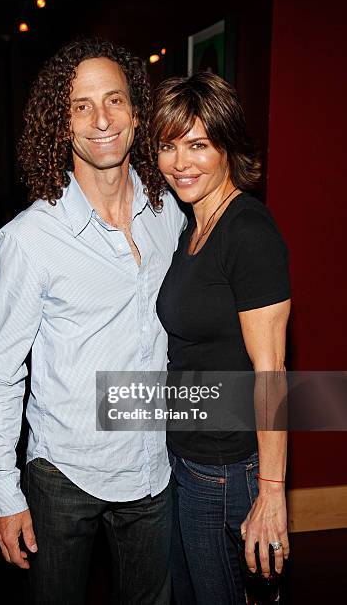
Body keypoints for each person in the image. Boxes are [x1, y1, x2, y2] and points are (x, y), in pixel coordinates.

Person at [0, 38, 186, 605]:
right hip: (64, 473)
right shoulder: (30, 240)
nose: (101, 120)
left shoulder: (169, 216)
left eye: (114, 101)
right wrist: (4, 493)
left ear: (137, 114)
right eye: (81, 106)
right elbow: (0, 374)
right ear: (60, 125)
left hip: (151, 466)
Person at [151, 72, 291, 604]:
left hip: (230, 471)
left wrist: (272, 494)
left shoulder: (248, 232)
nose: (180, 162)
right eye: (168, 146)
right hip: (191, 460)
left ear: (227, 145)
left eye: (198, 145)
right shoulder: (193, 226)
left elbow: (272, 373)